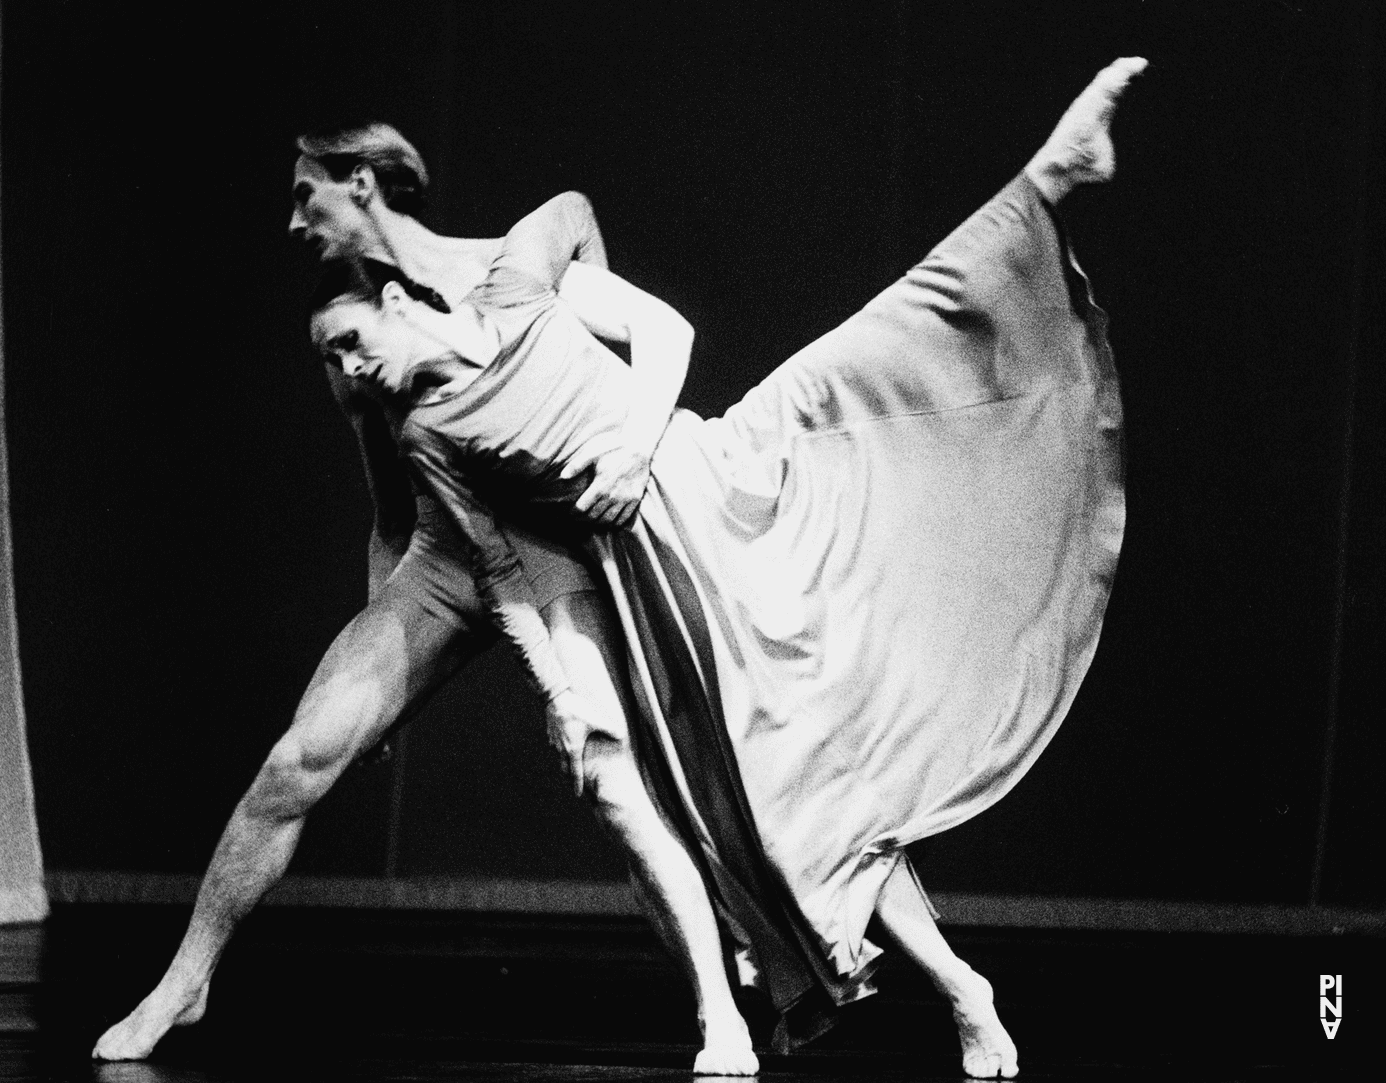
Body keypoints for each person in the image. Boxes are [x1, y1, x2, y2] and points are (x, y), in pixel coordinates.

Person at [309, 58, 1148, 1079]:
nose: (350, 372)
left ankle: (1051, 177)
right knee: (753, 797)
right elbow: (503, 568)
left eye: (350, 342)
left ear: (396, 298)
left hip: (705, 489)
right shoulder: (430, 432)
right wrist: (564, 690)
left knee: (876, 355)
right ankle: (897, 995)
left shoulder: (520, 290)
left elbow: (667, 331)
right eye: (335, 363)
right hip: (638, 584)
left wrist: (628, 447)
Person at [94, 126, 759, 1075]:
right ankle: (183, 981)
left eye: (304, 195)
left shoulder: (506, 264)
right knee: (298, 758)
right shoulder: (343, 333)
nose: (292, 221)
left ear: (360, 184)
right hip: (451, 558)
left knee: (629, 781)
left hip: (559, 547)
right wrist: (383, 657)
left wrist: (613, 432)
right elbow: (390, 507)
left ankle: (727, 986)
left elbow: (585, 232)